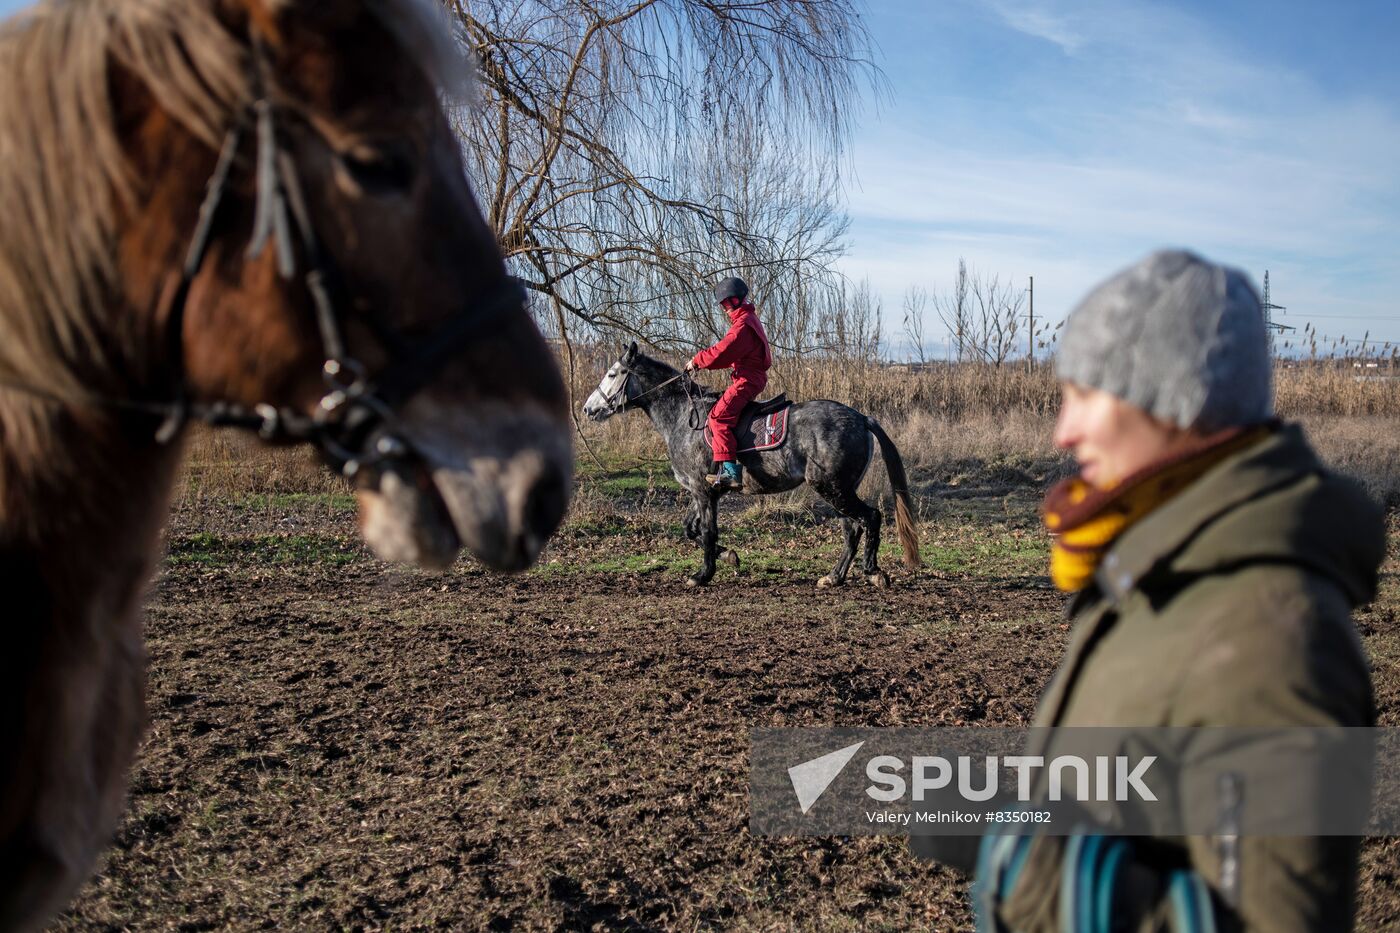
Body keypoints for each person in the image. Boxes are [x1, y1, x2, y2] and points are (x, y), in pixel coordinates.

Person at [914, 250, 1384, 931]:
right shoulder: (1161, 578)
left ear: (1177, 400)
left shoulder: (1269, 637)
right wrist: (1015, 810)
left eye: (1085, 394)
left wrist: (1019, 862)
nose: (1062, 431)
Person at [685, 276, 772, 490]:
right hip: (749, 376)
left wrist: (697, 360)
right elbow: (729, 355)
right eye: (723, 305)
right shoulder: (748, 320)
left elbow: (723, 351)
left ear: (738, 300)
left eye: (727, 303)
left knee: (718, 417)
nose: (725, 309)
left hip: (747, 380)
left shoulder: (743, 326)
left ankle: (730, 473)